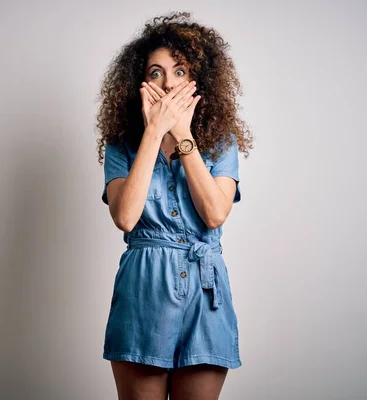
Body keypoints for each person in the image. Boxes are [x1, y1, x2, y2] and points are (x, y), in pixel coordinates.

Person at [95, 11, 254, 400]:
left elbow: (215, 213)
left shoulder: (220, 143)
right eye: (155, 73)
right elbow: (125, 217)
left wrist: (182, 134)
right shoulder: (122, 145)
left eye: (180, 71)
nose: (168, 83)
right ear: (139, 83)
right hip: (143, 291)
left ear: (199, 79)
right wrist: (153, 132)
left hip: (205, 295)